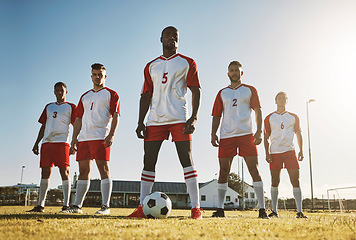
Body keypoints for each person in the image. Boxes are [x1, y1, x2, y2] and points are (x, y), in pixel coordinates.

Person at [127, 26, 202, 219]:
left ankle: (196, 208)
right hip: (155, 120)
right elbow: (145, 95)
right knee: (148, 162)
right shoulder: (151, 66)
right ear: (161, 39)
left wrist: (193, 117)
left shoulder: (187, 62)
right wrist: (140, 121)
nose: (172, 38)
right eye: (168, 36)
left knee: (187, 160)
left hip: (179, 118)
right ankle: (143, 209)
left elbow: (196, 90)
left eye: (175, 36)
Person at [211, 61, 269, 218]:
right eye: (231, 70)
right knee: (223, 171)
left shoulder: (250, 90)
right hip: (227, 136)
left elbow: (258, 111)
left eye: (237, 70)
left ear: (241, 73)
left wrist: (258, 131)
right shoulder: (222, 93)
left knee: (254, 170)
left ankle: (262, 209)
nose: (234, 72)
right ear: (228, 73)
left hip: (246, 134)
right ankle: (220, 209)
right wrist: (213, 133)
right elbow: (216, 115)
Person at [63, 63, 120, 215]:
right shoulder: (85, 96)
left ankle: (106, 207)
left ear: (105, 76)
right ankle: (77, 207)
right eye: (94, 74)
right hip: (84, 138)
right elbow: (78, 119)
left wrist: (111, 134)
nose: (97, 77)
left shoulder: (111, 94)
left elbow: (116, 115)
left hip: (101, 136)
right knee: (83, 171)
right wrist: (74, 139)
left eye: (100, 74)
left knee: (104, 169)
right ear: (91, 76)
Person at [27, 82, 76, 213]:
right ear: (54, 92)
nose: (59, 92)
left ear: (66, 91)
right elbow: (43, 126)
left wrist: (74, 143)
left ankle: (66, 205)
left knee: (64, 172)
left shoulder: (71, 107)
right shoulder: (48, 107)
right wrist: (36, 142)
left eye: (62, 90)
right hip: (47, 143)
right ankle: (40, 206)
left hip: (62, 143)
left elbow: (77, 125)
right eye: (57, 90)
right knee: (45, 173)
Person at [264, 92, 307, 218]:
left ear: (287, 101)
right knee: (274, 181)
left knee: (295, 181)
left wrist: (301, 150)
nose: (281, 100)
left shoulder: (293, 117)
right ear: (275, 101)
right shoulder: (269, 117)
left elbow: (298, 134)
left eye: (284, 98)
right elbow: (266, 137)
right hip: (275, 152)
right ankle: (275, 211)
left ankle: (299, 212)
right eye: (279, 98)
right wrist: (267, 153)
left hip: (290, 151)